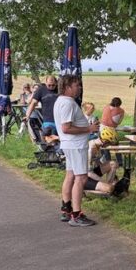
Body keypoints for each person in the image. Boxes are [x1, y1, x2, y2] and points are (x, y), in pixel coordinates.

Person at [54, 75, 100, 226]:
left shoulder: (60, 101)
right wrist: (89, 128)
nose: (79, 88)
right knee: (81, 178)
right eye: (76, 85)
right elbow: (66, 128)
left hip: (69, 145)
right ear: (67, 87)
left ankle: (66, 209)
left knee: (70, 175)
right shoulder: (68, 103)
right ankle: (76, 215)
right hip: (76, 145)